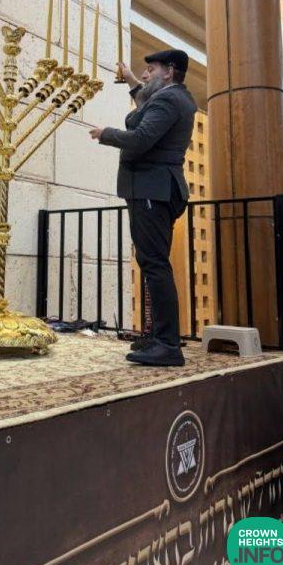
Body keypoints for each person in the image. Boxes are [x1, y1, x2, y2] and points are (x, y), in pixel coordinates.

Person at [89, 50, 197, 367]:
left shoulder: (169, 100)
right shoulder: (171, 97)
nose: (145, 74)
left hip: (153, 188)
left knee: (155, 264)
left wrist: (106, 134)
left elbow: (141, 138)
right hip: (154, 189)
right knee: (152, 263)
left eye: (150, 69)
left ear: (169, 71)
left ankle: (167, 345)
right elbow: (146, 103)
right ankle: (159, 337)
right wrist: (131, 81)